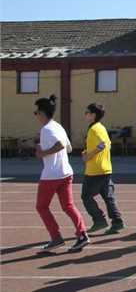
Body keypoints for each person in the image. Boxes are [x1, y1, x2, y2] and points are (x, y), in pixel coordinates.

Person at [34, 95, 90, 252]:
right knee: (68, 206)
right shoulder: (58, 126)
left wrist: (43, 153)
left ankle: (56, 238)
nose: (35, 115)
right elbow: (69, 147)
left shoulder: (46, 129)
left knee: (41, 207)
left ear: (42, 113)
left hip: (51, 175)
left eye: (36, 112)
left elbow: (59, 145)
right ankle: (82, 234)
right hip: (65, 172)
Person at [80, 103, 124, 234]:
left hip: (95, 170)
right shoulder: (101, 128)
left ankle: (99, 220)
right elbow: (108, 144)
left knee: (86, 196)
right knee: (108, 196)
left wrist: (89, 155)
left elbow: (102, 145)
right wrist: (88, 152)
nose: (85, 114)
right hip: (106, 169)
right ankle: (117, 222)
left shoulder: (94, 129)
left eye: (87, 112)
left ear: (93, 115)